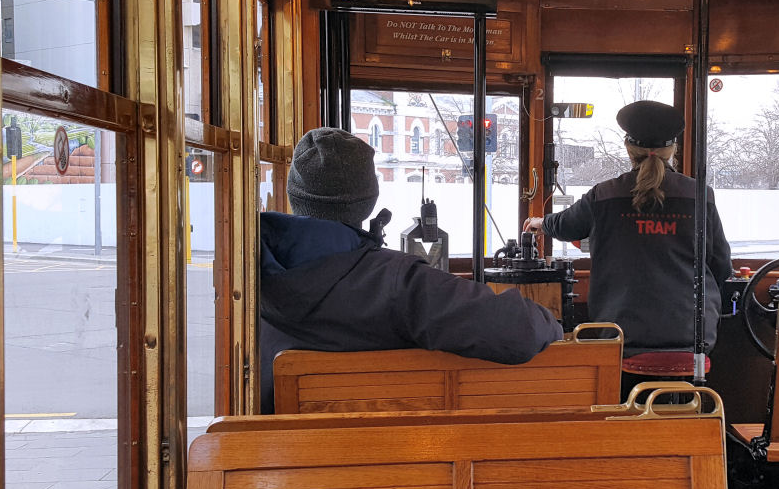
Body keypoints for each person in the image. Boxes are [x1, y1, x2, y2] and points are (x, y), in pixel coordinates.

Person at [258, 128, 564, 413]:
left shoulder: (251, 269)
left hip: (276, 454)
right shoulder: (395, 283)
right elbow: (518, 330)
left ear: (294, 194)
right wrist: (554, 326)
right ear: (367, 201)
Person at [524, 101, 732, 393]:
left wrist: (538, 222)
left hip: (619, 338)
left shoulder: (604, 195)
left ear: (628, 148)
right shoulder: (700, 196)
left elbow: (564, 225)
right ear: (673, 149)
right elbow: (722, 266)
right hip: (693, 338)